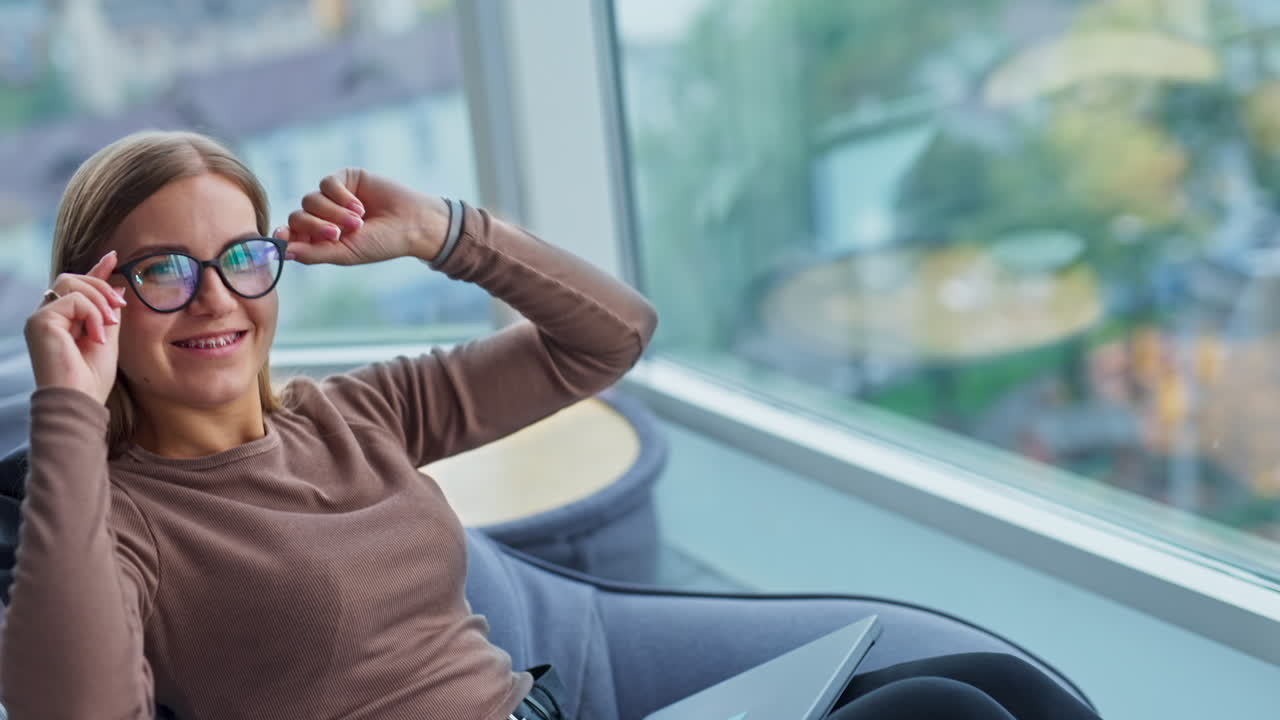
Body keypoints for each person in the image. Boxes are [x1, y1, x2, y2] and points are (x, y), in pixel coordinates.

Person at [0, 130, 1101, 720]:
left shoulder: (357, 415)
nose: (217, 297)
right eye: (161, 272)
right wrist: (67, 406)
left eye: (241, 255)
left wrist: (443, 231)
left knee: (983, 690)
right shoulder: (113, 517)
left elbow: (610, 338)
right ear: (92, 300)